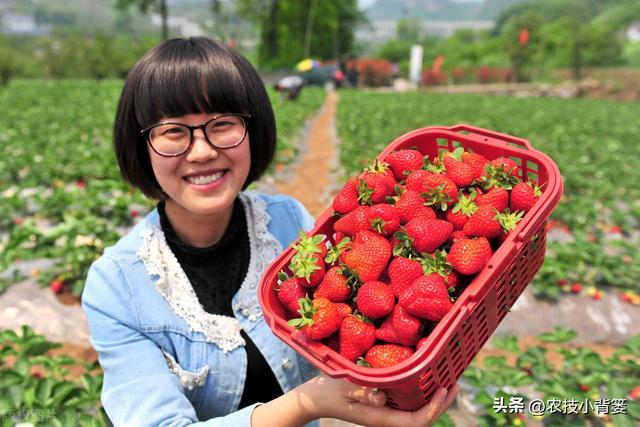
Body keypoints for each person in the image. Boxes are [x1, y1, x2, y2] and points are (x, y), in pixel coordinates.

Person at [81, 36, 459, 427]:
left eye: (222, 124)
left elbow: (362, 322)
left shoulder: (288, 222)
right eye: (173, 132)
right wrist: (305, 405)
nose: (201, 151)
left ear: (252, 129)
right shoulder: (116, 287)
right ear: (141, 146)